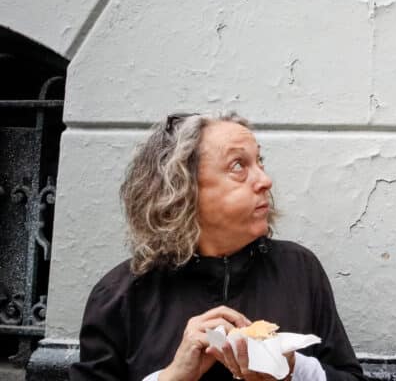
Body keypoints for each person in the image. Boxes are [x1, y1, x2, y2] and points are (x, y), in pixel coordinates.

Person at [70, 112, 365, 381]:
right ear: (181, 189)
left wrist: (295, 370)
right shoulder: (121, 296)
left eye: (259, 162)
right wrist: (172, 378)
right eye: (239, 166)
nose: (265, 180)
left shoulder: (299, 270)